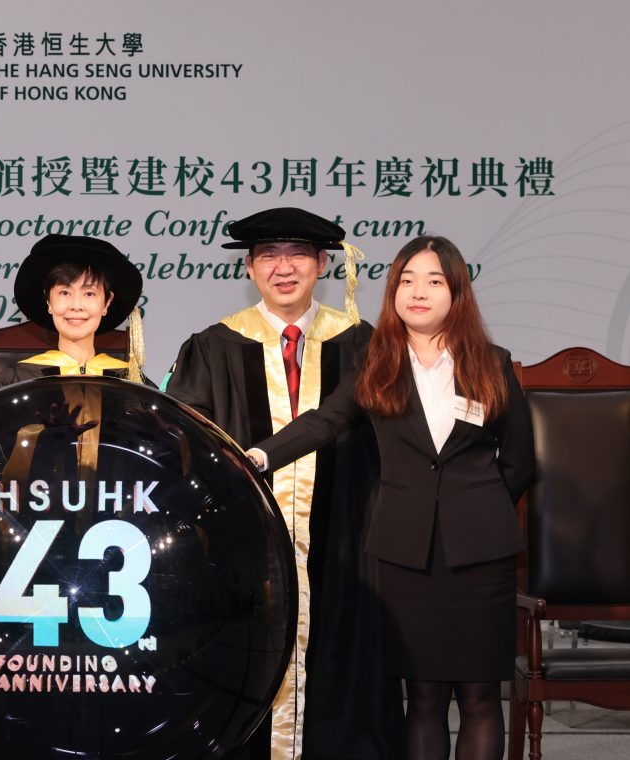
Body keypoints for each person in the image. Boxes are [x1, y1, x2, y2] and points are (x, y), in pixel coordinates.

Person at [249, 236, 535, 760]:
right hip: (406, 556)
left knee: (478, 699)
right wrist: (259, 457)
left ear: (457, 293)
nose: (417, 293)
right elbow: (324, 421)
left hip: (481, 559)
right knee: (423, 698)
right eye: (406, 281)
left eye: (432, 281)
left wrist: (474, 504)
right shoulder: (375, 361)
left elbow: (519, 461)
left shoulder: (492, 362)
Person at [166, 207, 402, 759]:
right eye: (268, 256)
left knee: (347, 659)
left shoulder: (363, 342)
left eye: (297, 254)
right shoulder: (214, 344)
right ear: (249, 269)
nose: (283, 267)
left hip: (346, 535)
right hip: (247, 544)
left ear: (322, 264)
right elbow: (188, 446)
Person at [0, 233, 147, 390]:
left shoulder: (129, 380)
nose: (76, 305)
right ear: (48, 301)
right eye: (65, 293)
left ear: (107, 303)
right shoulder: (17, 380)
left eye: (89, 293)